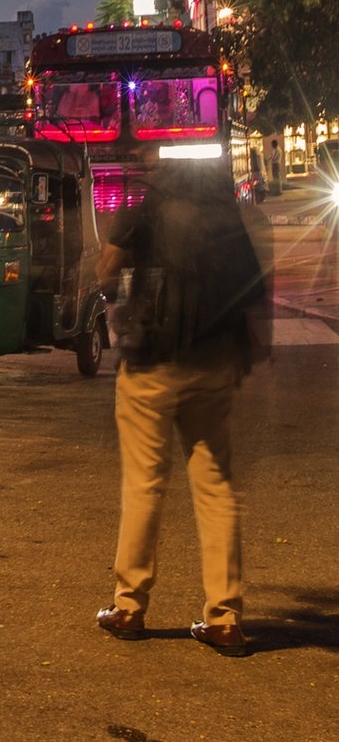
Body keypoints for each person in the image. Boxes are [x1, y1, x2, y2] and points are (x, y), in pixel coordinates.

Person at [94, 144, 270, 654]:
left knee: (145, 483)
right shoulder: (226, 214)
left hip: (153, 363)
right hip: (214, 362)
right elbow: (254, 290)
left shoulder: (143, 206)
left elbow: (107, 274)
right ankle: (224, 618)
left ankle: (129, 606)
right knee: (216, 485)